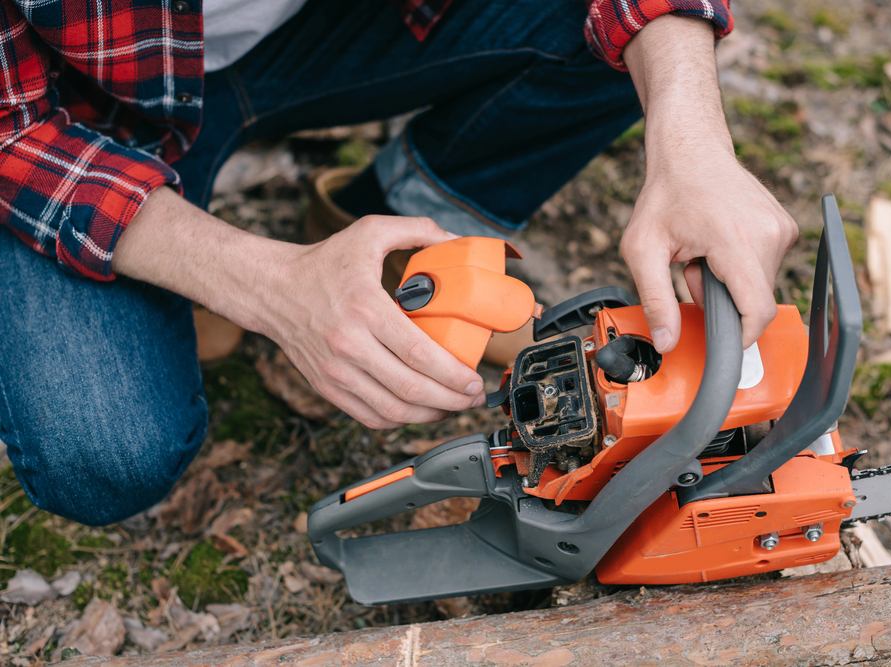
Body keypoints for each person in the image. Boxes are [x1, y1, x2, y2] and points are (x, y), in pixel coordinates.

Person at [0, 0, 797, 526]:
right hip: (75, 113)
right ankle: (230, 272)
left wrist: (693, 138)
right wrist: (266, 284)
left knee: (622, 38)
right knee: (105, 450)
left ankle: (378, 222)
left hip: (315, 34)